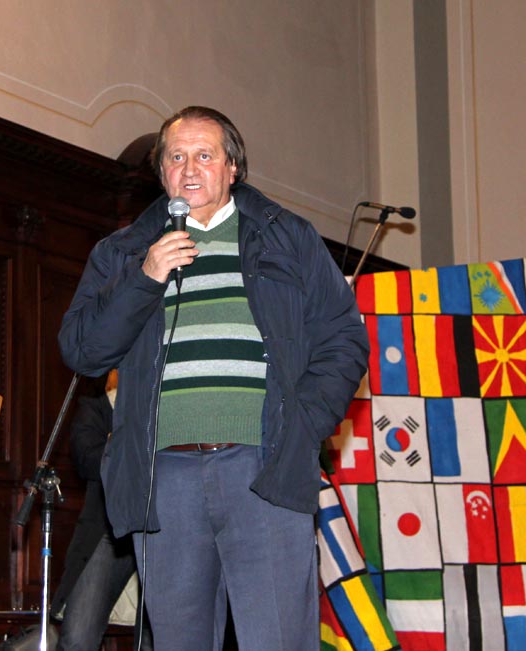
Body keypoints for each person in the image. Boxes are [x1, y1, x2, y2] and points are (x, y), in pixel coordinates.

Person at [57, 106, 369, 651]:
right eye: (176, 157)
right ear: (162, 173)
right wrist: (145, 278)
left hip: (264, 469)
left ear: (232, 168)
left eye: (204, 155)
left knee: (277, 640)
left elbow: (344, 338)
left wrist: (301, 424)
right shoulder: (124, 252)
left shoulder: (286, 237)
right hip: (163, 478)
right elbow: (83, 351)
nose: (189, 168)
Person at [51, 370, 151, 651]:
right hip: (111, 531)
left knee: (157, 638)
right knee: (77, 636)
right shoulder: (97, 408)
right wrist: (123, 440)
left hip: (162, 528)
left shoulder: (163, 406)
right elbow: (86, 460)